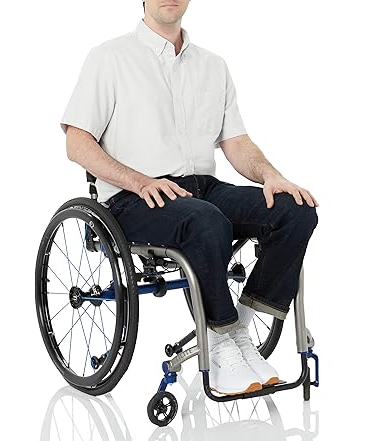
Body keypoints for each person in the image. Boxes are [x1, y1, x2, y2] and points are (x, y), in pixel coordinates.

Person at [60, 0, 319, 396]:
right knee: (204, 220)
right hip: (134, 197)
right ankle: (220, 339)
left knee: (294, 210)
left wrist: (272, 175)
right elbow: (77, 143)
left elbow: (235, 141)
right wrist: (138, 181)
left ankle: (238, 328)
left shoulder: (212, 65)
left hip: (202, 188)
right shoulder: (109, 58)